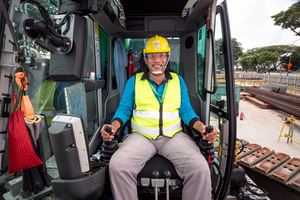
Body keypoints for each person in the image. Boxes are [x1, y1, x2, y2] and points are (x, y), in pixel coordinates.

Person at [101, 35, 217, 200]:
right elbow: (124, 109)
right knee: (118, 166)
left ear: (168, 57)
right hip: (141, 137)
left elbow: (186, 111)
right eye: (152, 55)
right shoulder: (133, 81)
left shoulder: (178, 81)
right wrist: (113, 127)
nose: (157, 60)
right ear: (145, 58)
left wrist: (202, 128)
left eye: (162, 55)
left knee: (199, 169)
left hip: (173, 136)